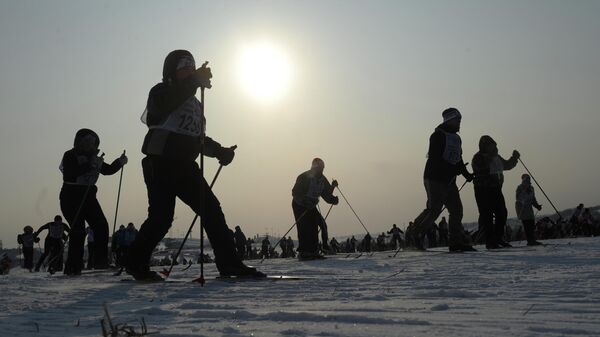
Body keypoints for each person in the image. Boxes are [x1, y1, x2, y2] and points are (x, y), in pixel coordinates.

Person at [125, 50, 264, 280]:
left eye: (193, 68)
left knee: (212, 211)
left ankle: (229, 264)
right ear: (172, 72)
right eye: (185, 68)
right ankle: (135, 262)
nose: (190, 71)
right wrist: (194, 81)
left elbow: (196, 139)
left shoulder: (195, 105)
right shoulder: (160, 92)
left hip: (185, 165)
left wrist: (220, 151)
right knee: (161, 218)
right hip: (159, 162)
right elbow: (165, 105)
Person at [59, 128, 127, 275]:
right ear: (79, 141)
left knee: (101, 226)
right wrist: (89, 165)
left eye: (93, 143)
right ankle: (73, 266)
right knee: (77, 230)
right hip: (71, 196)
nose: (90, 145)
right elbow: (70, 173)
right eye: (87, 142)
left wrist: (119, 162)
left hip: (89, 196)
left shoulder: (95, 158)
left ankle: (100, 262)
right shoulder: (70, 155)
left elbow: (107, 170)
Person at [411, 108, 475, 252]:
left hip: (449, 180)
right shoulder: (437, 136)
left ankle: (455, 242)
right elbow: (435, 159)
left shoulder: (457, 138)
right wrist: (454, 170)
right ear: (450, 120)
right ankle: (416, 233)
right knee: (434, 210)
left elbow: (458, 159)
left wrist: (466, 174)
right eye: (458, 120)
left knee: (457, 210)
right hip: (434, 178)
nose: (460, 123)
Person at [472, 135, 519, 249]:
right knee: (486, 215)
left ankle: (498, 237)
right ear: (484, 146)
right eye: (490, 145)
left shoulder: (496, 157)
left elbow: (506, 166)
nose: (493, 147)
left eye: (493, 145)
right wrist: (490, 158)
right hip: (483, 189)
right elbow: (480, 169)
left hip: (496, 188)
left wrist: (514, 158)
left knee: (502, 213)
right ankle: (490, 241)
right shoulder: (478, 157)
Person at [292, 158, 339, 260]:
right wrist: (304, 202)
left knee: (321, 224)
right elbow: (295, 192)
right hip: (299, 205)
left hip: (311, 205)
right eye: (319, 168)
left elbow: (326, 194)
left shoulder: (322, 179)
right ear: (314, 167)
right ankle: (304, 252)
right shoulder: (304, 177)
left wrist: (333, 197)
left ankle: (316, 250)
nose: (321, 170)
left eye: (322, 168)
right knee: (304, 227)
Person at [516, 174, 543, 246]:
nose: (527, 180)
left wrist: (537, 206)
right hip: (522, 208)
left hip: (529, 208)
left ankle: (532, 240)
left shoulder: (531, 188)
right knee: (527, 224)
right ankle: (530, 241)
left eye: (528, 178)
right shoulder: (520, 188)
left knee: (531, 224)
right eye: (526, 179)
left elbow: (533, 199)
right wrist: (525, 191)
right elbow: (518, 198)